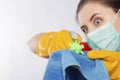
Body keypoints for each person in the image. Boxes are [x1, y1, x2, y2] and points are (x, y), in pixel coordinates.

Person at [28, 0, 120, 79]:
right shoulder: (89, 54)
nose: (90, 34)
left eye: (97, 21)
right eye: (85, 29)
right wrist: (52, 42)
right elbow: (31, 43)